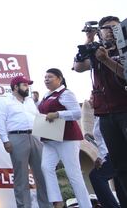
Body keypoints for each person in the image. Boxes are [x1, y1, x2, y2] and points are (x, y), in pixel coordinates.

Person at [73, 15, 127, 198]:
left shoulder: (123, 49)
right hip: (105, 114)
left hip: (124, 110)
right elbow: (78, 66)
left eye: (115, 28)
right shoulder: (97, 51)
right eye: (106, 28)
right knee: (119, 166)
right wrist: (88, 40)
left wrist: (106, 60)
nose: (111, 31)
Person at [38, 68, 91, 208]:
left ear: (59, 79)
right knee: (46, 167)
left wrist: (58, 114)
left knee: (73, 173)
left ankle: (85, 205)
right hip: (50, 139)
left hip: (68, 138)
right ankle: (57, 202)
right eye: (45, 77)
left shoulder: (65, 93)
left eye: (50, 77)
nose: (46, 79)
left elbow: (77, 113)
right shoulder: (46, 96)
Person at [0, 76, 50, 208]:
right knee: (21, 177)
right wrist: (5, 141)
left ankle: (46, 205)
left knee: (42, 174)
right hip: (16, 138)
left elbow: (37, 118)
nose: (27, 87)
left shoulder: (30, 101)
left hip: (35, 137)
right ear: (15, 87)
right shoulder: (5, 102)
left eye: (27, 85)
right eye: (24, 85)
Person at [89, 116, 127, 208]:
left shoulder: (110, 114)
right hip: (108, 153)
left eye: (92, 100)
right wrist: (100, 156)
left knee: (96, 176)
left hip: (116, 152)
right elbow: (103, 140)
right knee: (119, 182)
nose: (90, 100)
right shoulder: (99, 117)